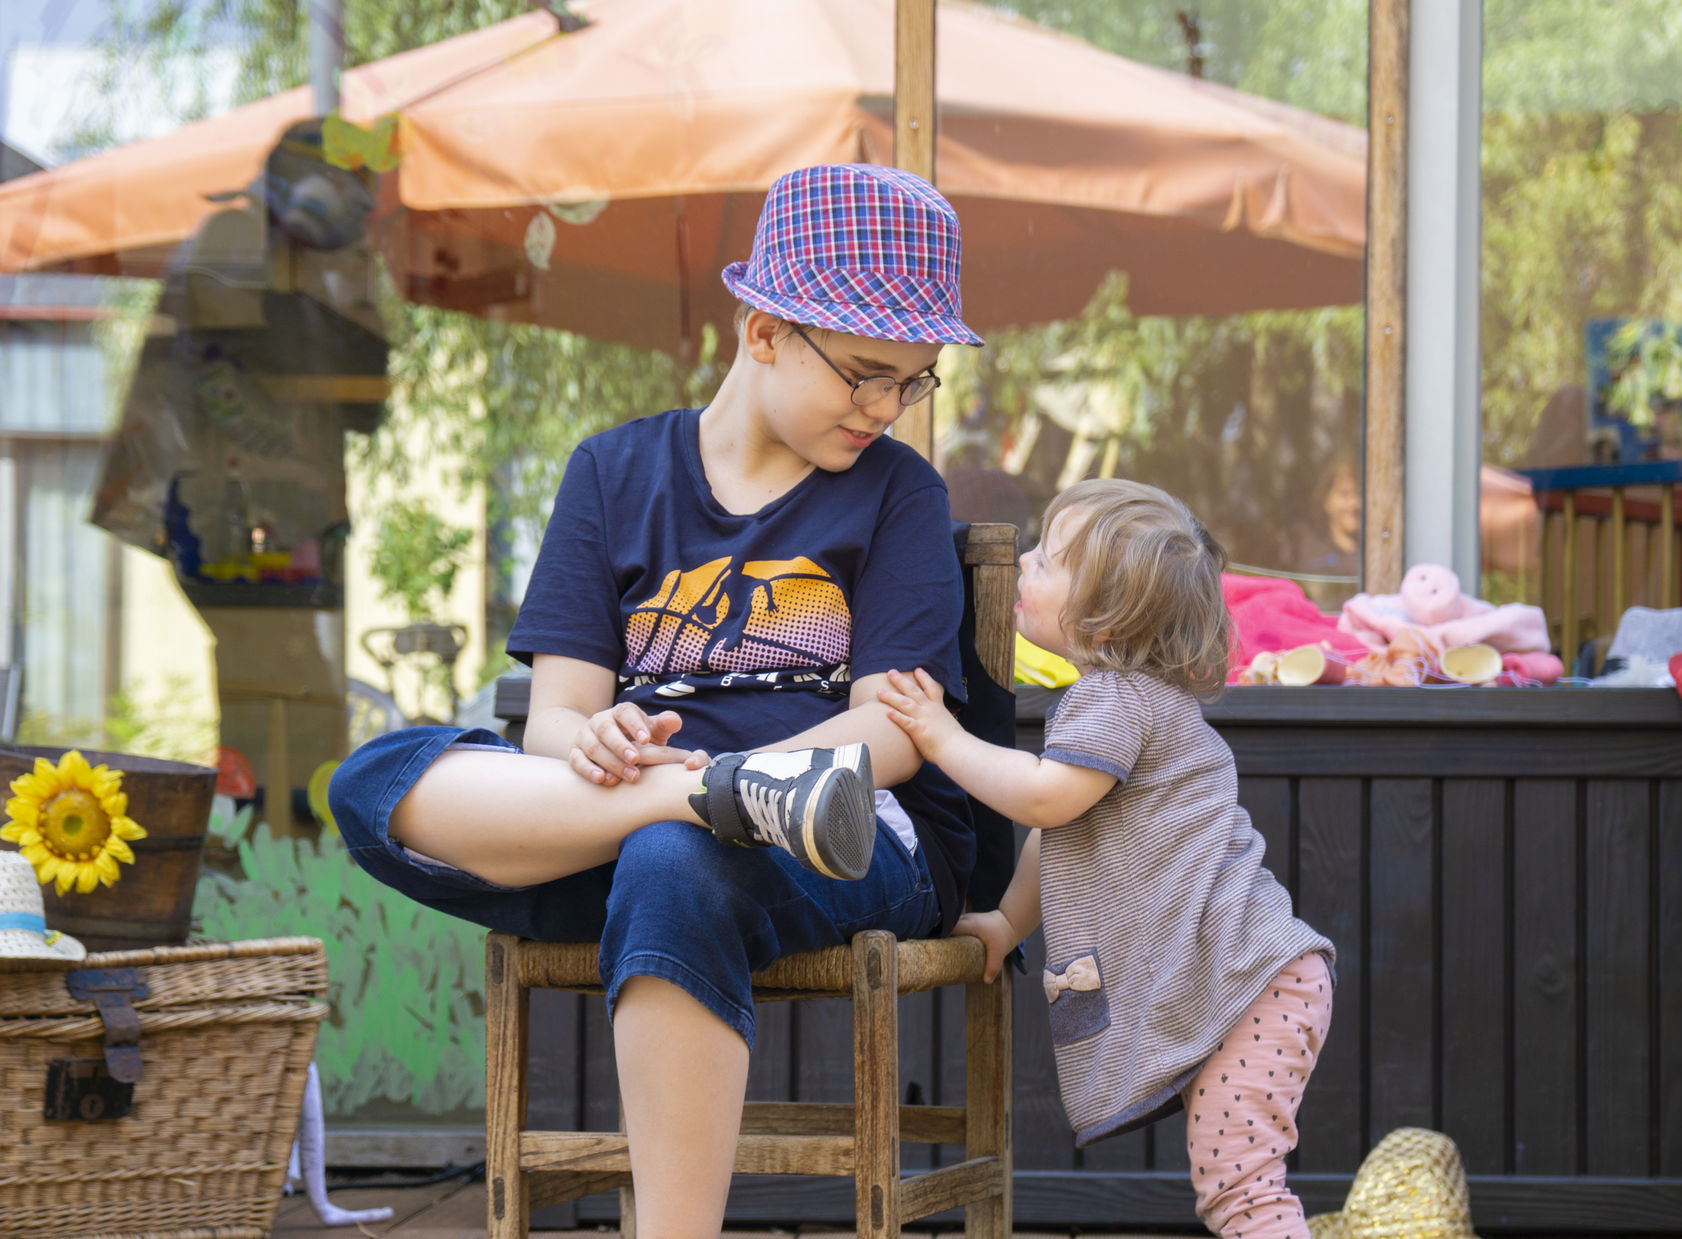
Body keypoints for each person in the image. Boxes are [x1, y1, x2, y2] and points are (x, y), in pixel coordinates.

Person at [327, 163, 984, 1239]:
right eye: (865, 374)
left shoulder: (896, 493)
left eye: (912, 382)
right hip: (630, 821)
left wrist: (742, 785)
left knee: (674, 862)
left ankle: (697, 811)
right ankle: (685, 803)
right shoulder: (612, 473)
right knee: (373, 778)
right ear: (762, 331)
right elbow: (554, 722)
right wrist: (607, 746)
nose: (885, 408)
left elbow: (896, 734)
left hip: (845, 830)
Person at [876, 477, 1337, 1239]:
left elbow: (1042, 801)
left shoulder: (1115, 700)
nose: (1023, 564)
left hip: (1250, 977)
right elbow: (1061, 836)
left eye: (1047, 562)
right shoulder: (1123, 701)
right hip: (1255, 977)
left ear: (1104, 613)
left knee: (1241, 1187)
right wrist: (1005, 922)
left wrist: (940, 737)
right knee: (1238, 1179)